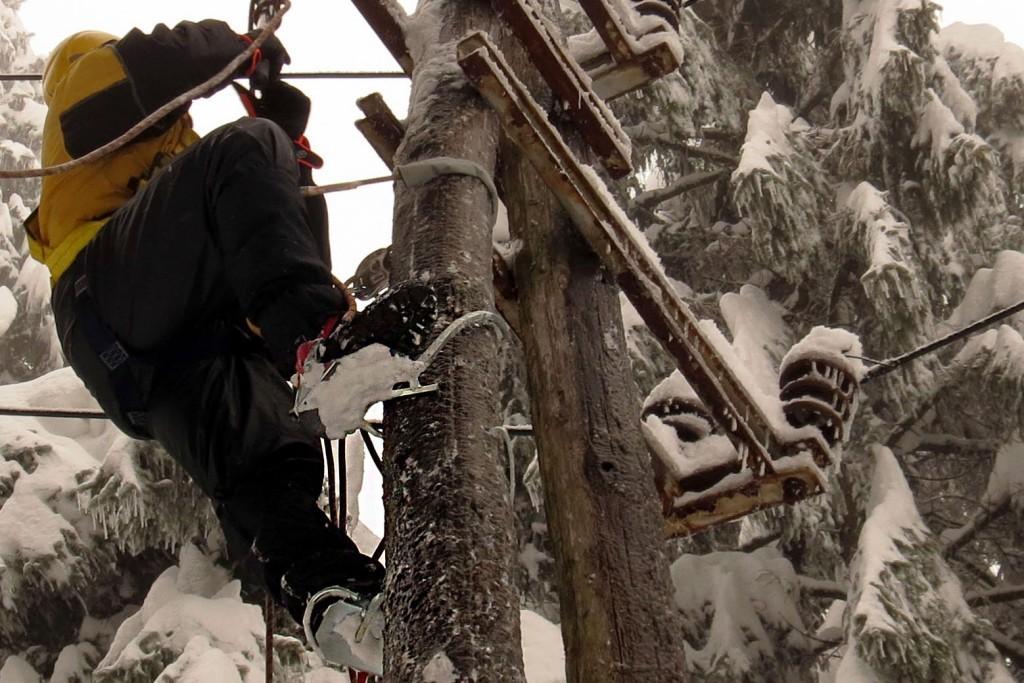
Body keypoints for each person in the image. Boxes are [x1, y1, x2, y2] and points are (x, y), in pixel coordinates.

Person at [26, 19, 432, 671]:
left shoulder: (172, 181)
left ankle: (337, 599)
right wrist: (245, 52)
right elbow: (160, 60)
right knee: (246, 149)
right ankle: (320, 347)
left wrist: (294, 152)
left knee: (264, 464)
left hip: (162, 356)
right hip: (106, 292)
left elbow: (277, 240)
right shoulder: (84, 81)